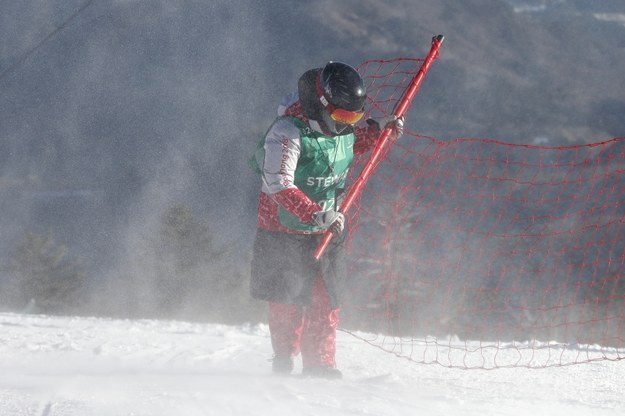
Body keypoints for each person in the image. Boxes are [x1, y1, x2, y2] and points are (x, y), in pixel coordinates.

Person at [249, 61, 403, 378]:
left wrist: (379, 134)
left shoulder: (341, 128)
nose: (347, 123)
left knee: (326, 299)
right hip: (284, 228)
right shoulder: (287, 132)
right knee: (288, 298)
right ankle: (284, 356)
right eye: (342, 116)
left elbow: (346, 143)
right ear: (321, 106)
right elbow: (278, 182)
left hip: (328, 229)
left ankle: (320, 363)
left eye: (354, 117)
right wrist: (314, 213)